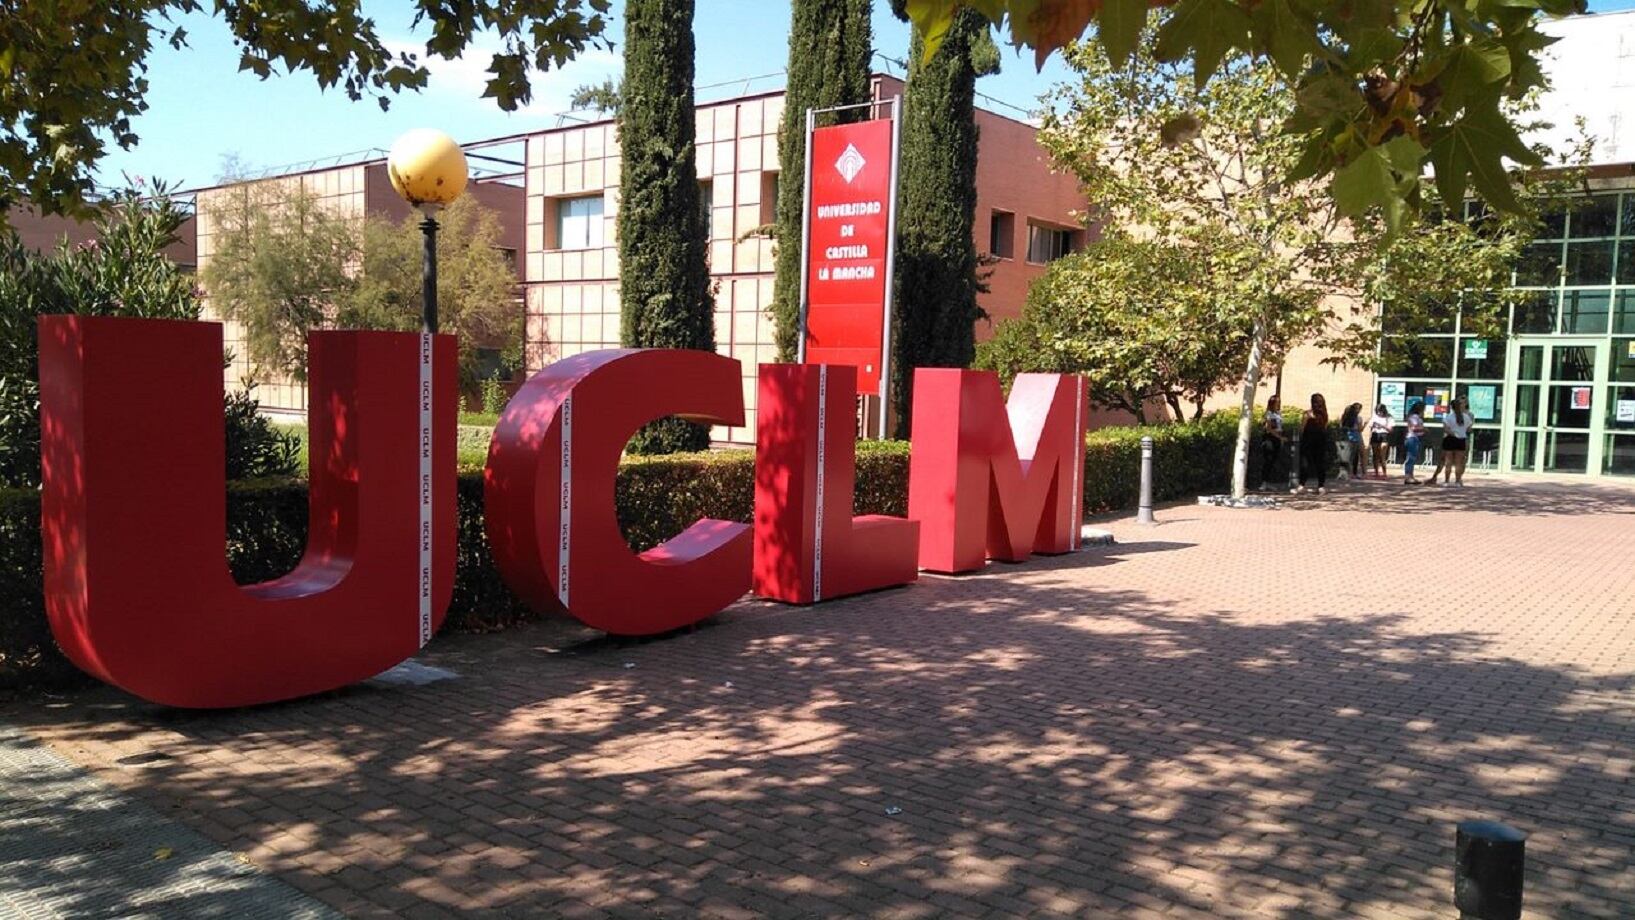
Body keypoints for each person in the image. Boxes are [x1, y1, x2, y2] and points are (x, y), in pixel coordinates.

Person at [1294, 393, 1330, 494]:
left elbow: (1302, 428)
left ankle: (1319, 485)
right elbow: (1303, 428)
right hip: (1310, 442)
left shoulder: (1322, 415)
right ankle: (1306, 485)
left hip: (1316, 442)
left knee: (1318, 464)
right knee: (1306, 464)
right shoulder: (1308, 414)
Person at [1435, 397, 1473, 486]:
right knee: (1459, 462)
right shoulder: (1466, 417)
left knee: (1448, 462)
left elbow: (1446, 429)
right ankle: (1457, 481)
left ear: (1452, 407)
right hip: (1461, 440)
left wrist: (1454, 434)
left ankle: (1447, 481)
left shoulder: (1449, 417)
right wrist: (1461, 432)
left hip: (1450, 440)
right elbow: (1469, 428)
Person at [1260, 395, 1287, 489]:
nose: (1278, 404)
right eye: (1277, 402)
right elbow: (1269, 429)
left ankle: (1268, 482)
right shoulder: (1268, 414)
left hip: (1277, 438)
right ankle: (1264, 482)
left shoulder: (1279, 413)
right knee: (1268, 460)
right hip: (1270, 438)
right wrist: (1280, 437)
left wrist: (1280, 437)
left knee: (1273, 461)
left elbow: (1280, 426)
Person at [1403, 400, 1427, 484]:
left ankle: (1411, 476)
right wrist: (1424, 429)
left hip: (1416, 438)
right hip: (1412, 438)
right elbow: (1414, 428)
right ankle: (1408, 476)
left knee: (1413, 457)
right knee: (1411, 457)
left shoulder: (1417, 417)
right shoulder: (1414, 417)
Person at [1338, 402, 1364, 479]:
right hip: (1354, 438)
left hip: (1348, 437)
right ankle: (1352, 473)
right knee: (1353, 456)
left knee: (1347, 456)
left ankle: (1346, 473)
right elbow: (1359, 429)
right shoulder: (1356, 418)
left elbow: (1341, 427)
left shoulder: (1347, 417)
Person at [1368, 403, 1392, 479]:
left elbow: (1390, 429)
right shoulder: (1374, 417)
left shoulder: (1388, 417)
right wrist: (1373, 425)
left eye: (1380, 411)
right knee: (1375, 455)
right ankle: (1376, 473)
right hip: (1375, 434)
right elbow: (1370, 426)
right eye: (1377, 411)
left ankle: (1384, 473)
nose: (1379, 413)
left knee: (1382, 455)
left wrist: (1382, 426)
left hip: (1384, 434)